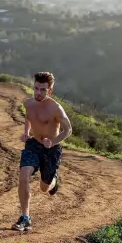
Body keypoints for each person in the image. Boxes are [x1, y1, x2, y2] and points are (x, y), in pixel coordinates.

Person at [11, 72, 73, 231]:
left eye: (43, 90)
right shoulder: (28, 103)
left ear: (50, 91)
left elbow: (68, 130)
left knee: (44, 188)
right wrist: (26, 132)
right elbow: (29, 117)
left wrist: (53, 141)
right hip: (34, 145)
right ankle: (25, 217)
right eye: (36, 88)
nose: (38, 93)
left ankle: (53, 181)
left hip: (51, 150)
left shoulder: (56, 108)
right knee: (23, 174)